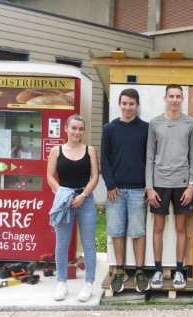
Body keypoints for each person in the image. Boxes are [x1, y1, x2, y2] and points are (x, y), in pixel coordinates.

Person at [146, 84, 193, 290]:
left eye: (178, 96)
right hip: (159, 184)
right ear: (165, 98)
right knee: (158, 227)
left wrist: (191, 185)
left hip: (183, 184)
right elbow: (149, 157)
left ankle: (178, 271)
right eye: (171, 96)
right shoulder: (154, 124)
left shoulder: (191, 124)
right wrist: (149, 187)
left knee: (180, 228)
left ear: (182, 99)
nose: (175, 99)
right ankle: (158, 271)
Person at [100, 88, 149, 293]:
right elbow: (104, 158)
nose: (127, 107)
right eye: (124, 103)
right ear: (119, 104)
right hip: (116, 191)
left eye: (131, 103)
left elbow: (150, 159)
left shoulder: (146, 128)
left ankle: (139, 270)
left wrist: (149, 185)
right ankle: (120, 269)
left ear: (137, 105)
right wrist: (110, 184)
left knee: (138, 232)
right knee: (117, 231)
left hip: (138, 189)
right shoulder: (110, 128)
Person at [47, 114, 99, 302]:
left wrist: (83, 196)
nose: (77, 132)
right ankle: (61, 282)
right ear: (66, 129)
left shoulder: (90, 150)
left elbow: (95, 177)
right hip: (64, 202)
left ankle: (89, 283)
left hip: (85, 200)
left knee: (89, 244)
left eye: (81, 129)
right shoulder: (56, 150)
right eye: (74, 128)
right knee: (62, 244)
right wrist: (63, 194)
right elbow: (50, 177)